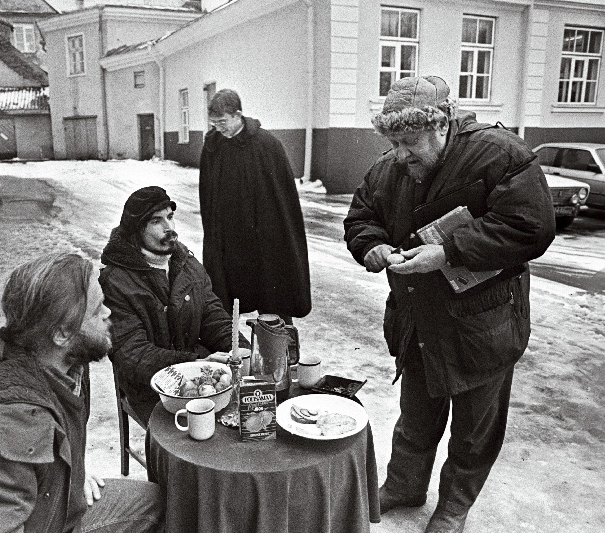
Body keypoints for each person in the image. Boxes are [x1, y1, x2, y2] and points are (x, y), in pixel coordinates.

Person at [343, 75, 555, 533]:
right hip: (419, 321)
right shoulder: (387, 169)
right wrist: (372, 246)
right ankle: (404, 485)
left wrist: (450, 251)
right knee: (415, 417)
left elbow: (532, 227)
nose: (399, 154)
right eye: (393, 141)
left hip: (484, 325)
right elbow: (361, 216)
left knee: (474, 430)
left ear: (440, 124)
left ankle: (454, 505)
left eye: (408, 141)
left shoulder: (500, 154)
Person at [0, 253, 164, 533]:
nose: (108, 313)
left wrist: (67, 477)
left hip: (52, 513)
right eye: (97, 309)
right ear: (61, 334)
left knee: (158, 503)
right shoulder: (12, 435)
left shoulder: (58, 364)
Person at [100, 186, 249, 426]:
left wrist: (239, 350)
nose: (169, 228)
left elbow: (213, 316)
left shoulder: (186, 263)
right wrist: (194, 366)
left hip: (199, 371)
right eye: (156, 221)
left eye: (170, 217)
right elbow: (132, 354)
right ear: (137, 230)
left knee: (246, 415)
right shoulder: (116, 281)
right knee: (199, 435)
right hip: (151, 387)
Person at [199, 88, 311, 324]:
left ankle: (281, 353)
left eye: (222, 122)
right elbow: (207, 196)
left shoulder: (266, 145)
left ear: (238, 115)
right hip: (228, 241)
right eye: (214, 123)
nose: (219, 128)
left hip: (263, 240)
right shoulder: (213, 146)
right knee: (223, 300)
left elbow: (282, 201)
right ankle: (231, 352)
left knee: (272, 300)